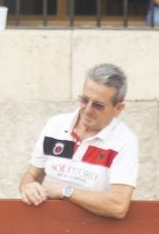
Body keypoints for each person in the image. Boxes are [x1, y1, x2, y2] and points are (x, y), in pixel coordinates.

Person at [18, 63, 139, 220]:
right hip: (46, 227)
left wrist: (66, 191)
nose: (87, 109)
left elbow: (118, 206)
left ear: (118, 109)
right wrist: (28, 186)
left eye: (98, 105)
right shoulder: (55, 125)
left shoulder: (125, 141)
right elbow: (32, 175)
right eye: (84, 100)